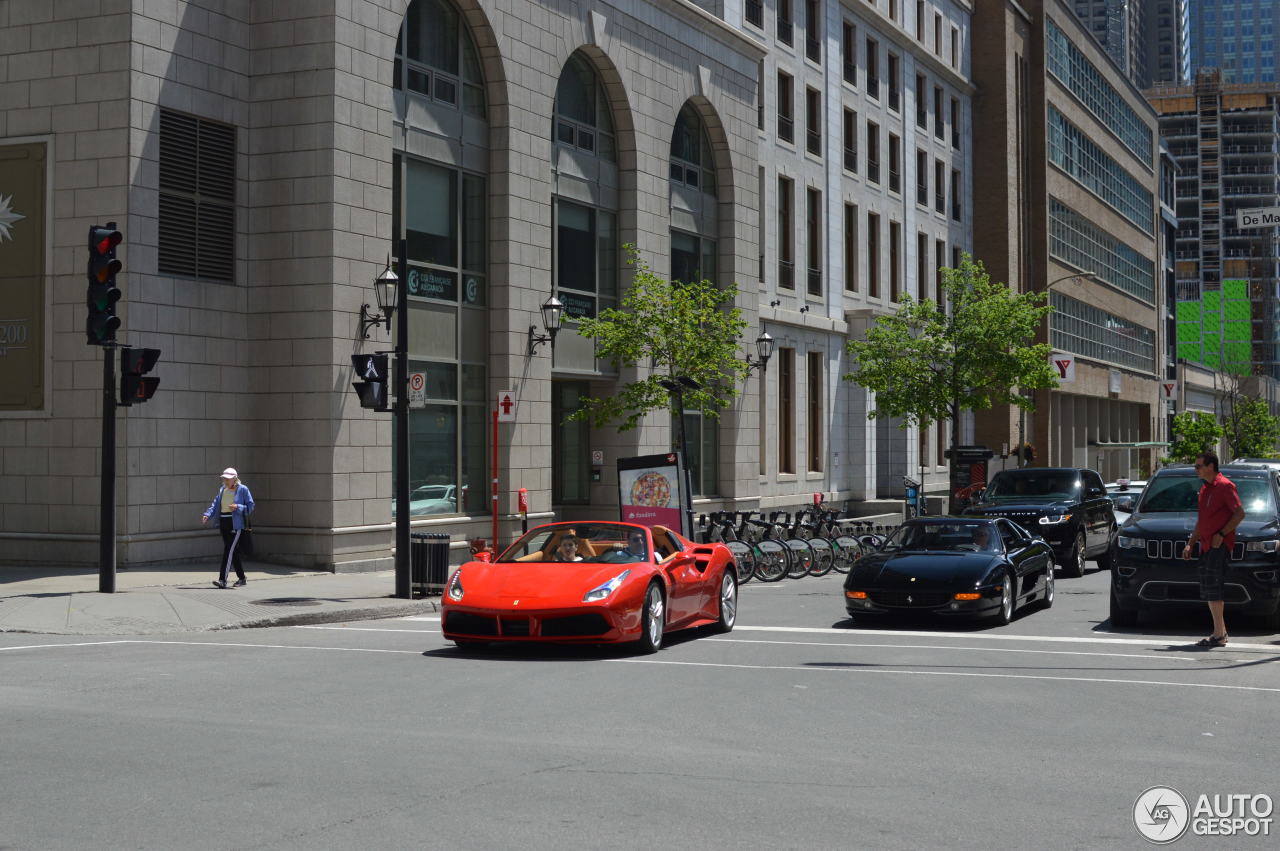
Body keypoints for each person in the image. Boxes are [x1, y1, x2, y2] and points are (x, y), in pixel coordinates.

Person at [1182, 452, 1244, 647]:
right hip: (1206, 545)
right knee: (1210, 589)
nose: (1196, 470)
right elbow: (1202, 521)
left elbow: (1239, 514)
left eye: (1199, 466)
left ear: (1211, 466)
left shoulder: (1225, 485)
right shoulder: (1205, 489)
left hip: (1219, 545)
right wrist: (1191, 543)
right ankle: (1220, 632)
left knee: (1214, 588)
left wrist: (1222, 534)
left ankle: (1218, 635)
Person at [201, 467, 255, 589]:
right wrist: (207, 515)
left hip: (236, 524)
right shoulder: (222, 490)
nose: (225, 480)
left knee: (228, 551)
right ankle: (242, 578)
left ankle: (222, 580)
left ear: (235, 479)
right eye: (224, 478)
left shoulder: (243, 489)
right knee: (232, 552)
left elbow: (250, 506)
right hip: (223, 522)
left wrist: (238, 507)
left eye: (228, 479)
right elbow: (215, 505)